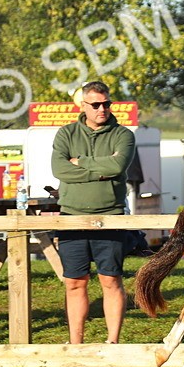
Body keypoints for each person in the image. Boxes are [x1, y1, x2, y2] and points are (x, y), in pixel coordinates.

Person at [51, 81, 135, 344]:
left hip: (110, 216)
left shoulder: (123, 135)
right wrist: (102, 168)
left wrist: (81, 163)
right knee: (75, 282)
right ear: (83, 106)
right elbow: (60, 170)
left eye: (107, 104)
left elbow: (118, 166)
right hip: (71, 217)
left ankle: (113, 342)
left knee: (110, 280)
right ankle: (76, 342)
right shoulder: (66, 134)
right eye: (96, 104)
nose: (102, 109)